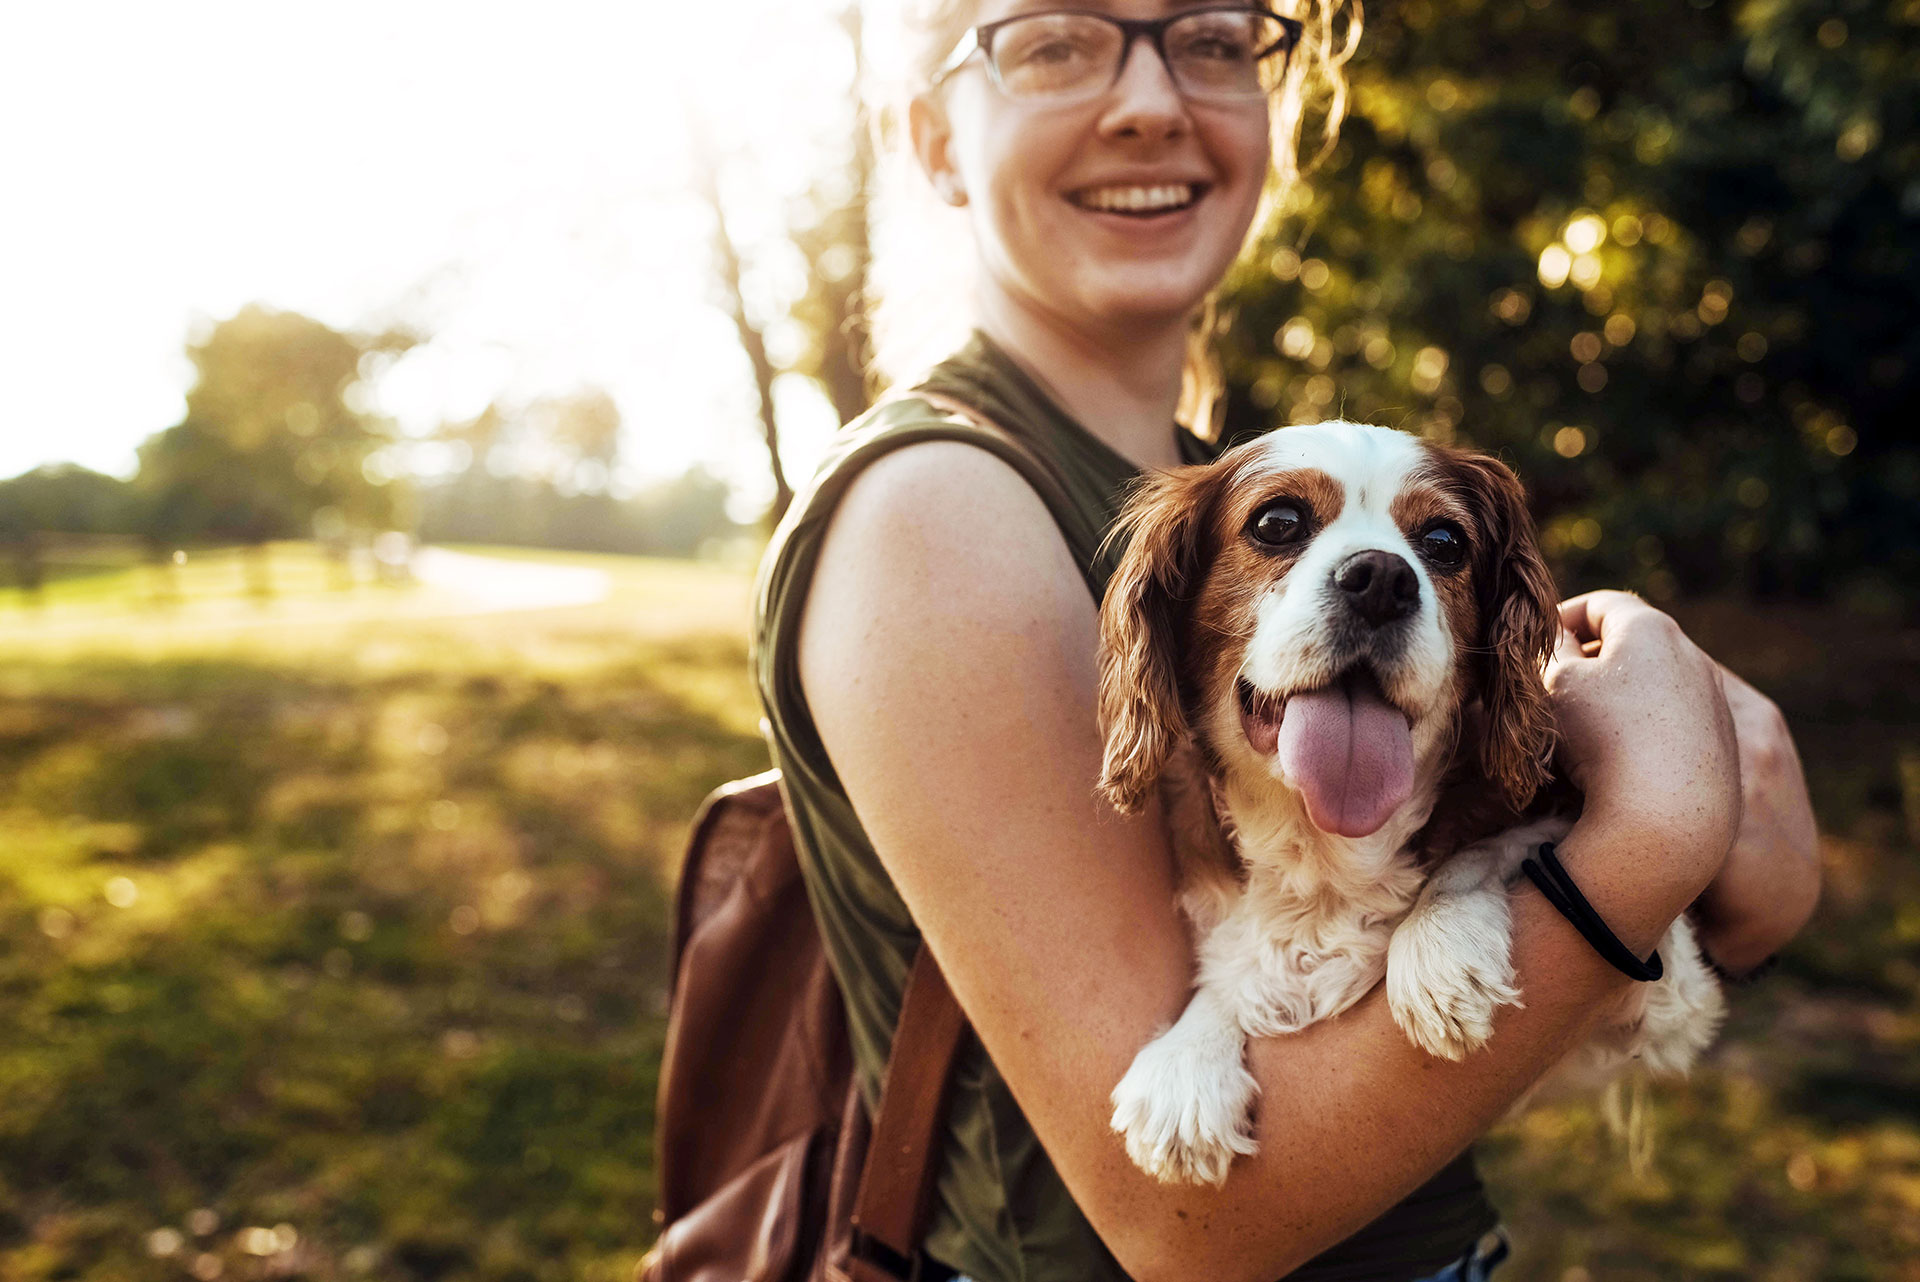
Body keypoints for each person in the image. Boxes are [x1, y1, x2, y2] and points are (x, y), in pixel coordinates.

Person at [752, 2, 1821, 1279]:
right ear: (933, 137)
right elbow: (1180, 1227)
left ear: (1278, 105)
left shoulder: (1226, 482)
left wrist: (1739, 881)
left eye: (1209, 38)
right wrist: (1655, 838)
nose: (1151, 101)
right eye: (1054, 40)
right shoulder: (940, 507)